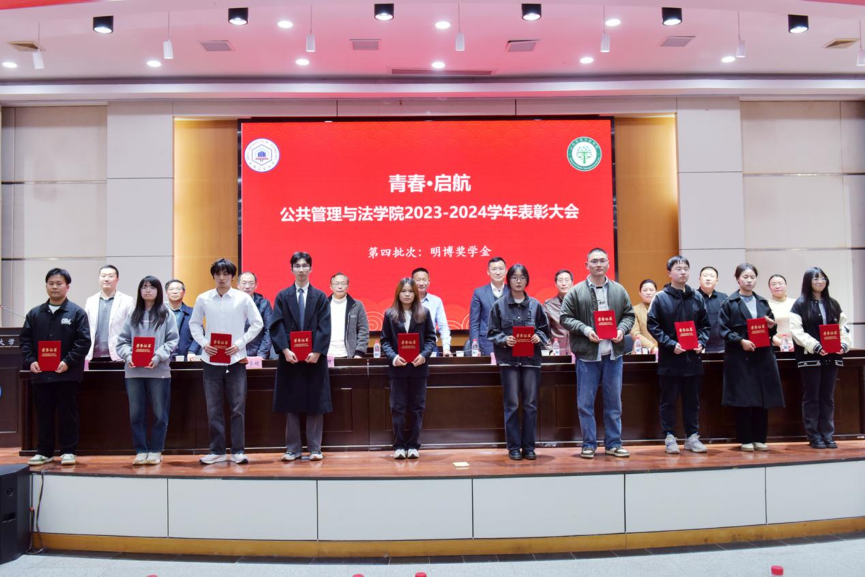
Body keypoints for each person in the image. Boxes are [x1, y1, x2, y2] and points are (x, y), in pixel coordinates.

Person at [560, 248, 635, 459]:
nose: (598, 264)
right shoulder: (576, 291)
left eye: (602, 260)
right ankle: (589, 444)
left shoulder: (619, 290)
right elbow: (565, 317)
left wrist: (621, 330)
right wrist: (585, 330)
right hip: (587, 356)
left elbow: (629, 315)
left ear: (608, 264)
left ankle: (614, 443)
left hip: (613, 355)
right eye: (594, 261)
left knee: (614, 403)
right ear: (587, 265)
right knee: (585, 404)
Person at [189, 258, 263, 465]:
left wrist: (240, 344)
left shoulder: (243, 298)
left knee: (237, 408)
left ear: (232, 276)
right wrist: (204, 343)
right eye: (218, 274)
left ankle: (238, 450)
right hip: (211, 360)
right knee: (213, 408)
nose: (221, 278)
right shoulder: (203, 298)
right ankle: (217, 450)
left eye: (226, 274)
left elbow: (257, 323)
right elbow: (194, 324)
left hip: (236, 360)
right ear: (213, 276)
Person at [20, 268, 91, 466]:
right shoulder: (35, 313)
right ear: (46, 286)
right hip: (41, 374)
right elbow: (25, 340)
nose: (54, 287)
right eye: (51, 283)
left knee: (68, 413)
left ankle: (68, 451)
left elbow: (84, 342)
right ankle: (44, 451)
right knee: (44, 413)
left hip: (67, 374)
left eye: (59, 283)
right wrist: (31, 360)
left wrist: (67, 361)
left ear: (67, 287)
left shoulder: (77, 313)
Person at [271, 252, 332, 462]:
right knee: (291, 404)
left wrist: (317, 351)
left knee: (316, 403)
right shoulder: (282, 296)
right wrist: (285, 350)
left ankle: (315, 448)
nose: (301, 269)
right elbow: (276, 325)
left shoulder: (320, 297)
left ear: (311, 269)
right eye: (297, 266)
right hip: (290, 359)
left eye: (305, 265)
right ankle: (293, 449)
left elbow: (325, 326)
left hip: (315, 359)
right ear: (291, 269)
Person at [647, 257, 710, 454]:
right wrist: (670, 344)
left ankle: (692, 436)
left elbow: (705, 325)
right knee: (668, 401)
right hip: (670, 359)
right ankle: (669, 436)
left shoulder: (697, 297)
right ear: (669, 273)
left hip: (693, 359)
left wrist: (701, 342)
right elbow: (653, 325)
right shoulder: (660, 297)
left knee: (692, 401)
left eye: (686, 269)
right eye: (678, 269)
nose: (683, 272)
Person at [488, 264, 551, 461]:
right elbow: (492, 332)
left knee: (530, 404)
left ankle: (529, 447)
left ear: (527, 280)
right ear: (508, 280)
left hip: (531, 361)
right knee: (512, 404)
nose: (518, 281)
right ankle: (514, 447)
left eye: (522, 277)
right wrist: (504, 339)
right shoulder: (499, 305)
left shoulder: (536, 305)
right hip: (508, 362)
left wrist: (539, 337)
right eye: (514, 277)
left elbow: (545, 331)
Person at [719, 263, 784, 452]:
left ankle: (760, 438)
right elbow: (723, 330)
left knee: (762, 398)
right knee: (743, 399)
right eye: (745, 277)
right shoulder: (730, 302)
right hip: (740, 356)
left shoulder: (762, 302)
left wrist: (771, 326)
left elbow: (772, 331)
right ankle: (745, 438)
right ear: (737, 279)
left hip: (762, 356)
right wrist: (741, 341)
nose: (749, 280)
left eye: (752, 277)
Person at [115, 277, 179, 466]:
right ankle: (141, 450)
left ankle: (156, 450)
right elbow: (122, 342)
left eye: (152, 287)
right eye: (144, 287)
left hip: (159, 372)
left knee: (160, 414)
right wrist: (128, 356)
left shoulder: (166, 314)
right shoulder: (132, 314)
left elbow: (172, 340)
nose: (148, 290)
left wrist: (157, 356)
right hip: (134, 372)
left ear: (159, 291)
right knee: (136, 414)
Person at [789, 268, 853, 449]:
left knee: (827, 397)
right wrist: (816, 346)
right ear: (808, 281)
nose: (820, 282)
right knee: (812, 397)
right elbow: (797, 332)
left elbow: (843, 328)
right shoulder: (800, 305)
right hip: (810, 358)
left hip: (832, 357)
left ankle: (827, 435)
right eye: (815, 279)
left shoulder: (833, 304)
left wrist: (843, 345)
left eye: (823, 278)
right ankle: (814, 436)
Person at [379, 278, 437, 459]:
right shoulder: (390, 314)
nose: (407, 294)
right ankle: (399, 445)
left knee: (417, 408)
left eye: (410, 291)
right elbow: (385, 341)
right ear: (398, 293)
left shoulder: (424, 313)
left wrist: (424, 355)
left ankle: (413, 445)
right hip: (398, 370)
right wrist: (394, 357)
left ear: (415, 294)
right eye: (403, 291)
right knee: (398, 408)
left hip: (419, 369)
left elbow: (431, 339)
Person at [84, 264, 134, 361]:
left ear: (117, 279)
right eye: (103, 276)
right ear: (99, 278)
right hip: (93, 355)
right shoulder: (90, 300)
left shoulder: (127, 300)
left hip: (119, 355)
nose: (106, 279)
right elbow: (86, 328)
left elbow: (132, 329)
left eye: (111, 276)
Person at [469, 257, 509, 355]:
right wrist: (475, 346)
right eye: (494, 269)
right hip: (486, 343)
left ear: (506, 271)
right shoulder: (479, 293)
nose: (498, 272)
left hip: (509, 342)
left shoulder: (513, 292)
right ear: (488, 272)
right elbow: (474, 323)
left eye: (501, 269)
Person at [326, 272, 369, 359]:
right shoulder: (323, 304)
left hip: (350, 355)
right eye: (336, 283)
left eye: (343, 283)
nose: (340, 286)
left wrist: (359, 353)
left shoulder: (357, 305)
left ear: (348, 286)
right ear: (330, 286)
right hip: (327, 354)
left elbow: (363, 330)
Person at [412, 267, 452, 356]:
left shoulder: (436, 301)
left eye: (424, 280)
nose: (421, 283)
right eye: (418, 280)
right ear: (412, 282)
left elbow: (443, 326)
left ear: (429, 282)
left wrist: (446, 348)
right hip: (410, 345)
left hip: (430, 346)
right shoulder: (406, 301)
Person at [238, 271, 274, 358]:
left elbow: (269, 330)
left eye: (251, 283)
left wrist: (262, 354)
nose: (247, 286)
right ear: (238, 285)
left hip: (257, 354)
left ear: (256, 286)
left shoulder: (264, 304)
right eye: (244, 283)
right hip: (236, 354)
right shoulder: (232, 304)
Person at [165, 279, 201, 359]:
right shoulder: (159, 313)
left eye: (178, 289)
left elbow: (199, 334)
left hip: (186, 357)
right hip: (163, 357)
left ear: (184, 292)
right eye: (171, 289)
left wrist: (192, 351)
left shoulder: (192, 312)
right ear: (166, 293)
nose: (175, 292)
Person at [697, 266, 727, 354]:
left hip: (720, 347)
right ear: (699, 279)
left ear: (716, 281)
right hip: (698, 346)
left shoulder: (724, 298)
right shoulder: (693, 297)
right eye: (705, 275)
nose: (708, 278)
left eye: (711, 276)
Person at [544, 269, 574, 352]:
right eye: (560, 280)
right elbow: (544, 332)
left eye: (567, 280)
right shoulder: (549, 305)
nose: (564, 283)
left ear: (572, 283)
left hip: (578, 351)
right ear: (556, 284)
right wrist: (550, 351)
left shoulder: (580, 303)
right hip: (557, 351)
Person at [629, 279, 659, 354]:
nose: (648, 293)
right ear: (640, 293)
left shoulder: (663, 309)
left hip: (663, 351)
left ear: (656, 292)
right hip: (642, 352)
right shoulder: (634, 310)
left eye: (651, 290)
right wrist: (653, 347)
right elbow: (635, 334)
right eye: (645, 290)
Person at [767, 274, 796, 349]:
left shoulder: (795, 303)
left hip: (796, 345)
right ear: (769, 287)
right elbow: (765, 330)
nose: (777, 286)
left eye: (780, 283)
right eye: (773, 284)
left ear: (786, 285)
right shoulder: (765, 304)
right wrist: (781, 343)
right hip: (776, 346)